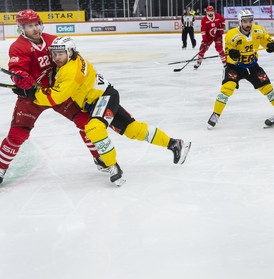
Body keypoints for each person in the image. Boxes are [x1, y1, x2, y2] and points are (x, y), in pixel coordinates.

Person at [33, 37, 191, 186]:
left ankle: (112, 166)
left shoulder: (70, 70)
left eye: (60, 53)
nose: (56, 57)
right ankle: (174, 143)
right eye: (54, 53)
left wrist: (33, 94)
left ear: (70, 51)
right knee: (133, 130)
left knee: (94, 128)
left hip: (103, 98)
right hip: (103, 97)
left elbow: (56, 96)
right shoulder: (72, 61)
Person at [0, 9, 98, 184]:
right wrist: (22, 80)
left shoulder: (53, 40)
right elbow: (17, 70)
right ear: (21, 28)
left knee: (86, 123)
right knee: (17, 135)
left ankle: (100, 157)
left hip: (56, 92)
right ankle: (1, 168)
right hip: (32, 98)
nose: (35, 28)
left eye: (37, 24)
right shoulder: (18, 47)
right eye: (30, 26)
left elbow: (72, 59)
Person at [207, 10, 274, 129]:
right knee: (226, 89)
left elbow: (270, 44)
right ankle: (216, 114)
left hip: (252, 66)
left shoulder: (259, 31)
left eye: (250, 21)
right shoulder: (231, 34)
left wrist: (273, 46)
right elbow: (228, 51)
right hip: (234, 67)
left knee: (268, 88)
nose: (248, 24)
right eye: (245, 21)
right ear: (240, 22)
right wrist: (232, 53)